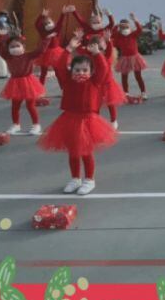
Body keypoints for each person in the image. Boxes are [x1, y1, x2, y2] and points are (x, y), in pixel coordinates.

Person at [38, 31, 118, 196]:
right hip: (69, 119)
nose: (81, 73)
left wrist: (97, 53)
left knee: (86, 151)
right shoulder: (67, 81)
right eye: (77, 70)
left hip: (88, 120)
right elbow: (60, 66)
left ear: (90, 72)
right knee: (73, 152)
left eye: (84, 70)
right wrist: (67, 49)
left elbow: (103, 68)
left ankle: (89, 179)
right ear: (71, 70)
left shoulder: (95, 82)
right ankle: (75, 178)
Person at [0, 30, 51, 135]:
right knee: (15, 106)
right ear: (8, 49)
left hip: (28, 82)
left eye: (17, 45)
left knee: (30, 105)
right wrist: (0, 37)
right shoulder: (8, 57)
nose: (15, 48)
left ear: (23, 47)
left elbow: (41, 50)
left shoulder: (28, 56)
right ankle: (16, 124)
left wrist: (47, 39)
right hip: (15, 83)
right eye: (12, 46)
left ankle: (36, 125)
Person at [110, 13, 148, 98]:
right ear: (120, 29)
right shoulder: (118, 37)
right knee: (124, 76)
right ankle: (126, 93)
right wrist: (117, 25)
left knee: (138, 76)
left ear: (130, 28)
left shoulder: (133, 35)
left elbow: (139, 29)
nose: (125, 29)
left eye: (126, 27)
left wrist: (135, 20)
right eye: (123, 28)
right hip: (124, 59)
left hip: (135, 58)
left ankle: (143, 92)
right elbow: (112, 34)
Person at [35, 7, 70, 86]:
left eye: (49, 22)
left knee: (58, 72)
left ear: (53, 22)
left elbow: (60, 23)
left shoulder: (56, 30)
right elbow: (37, 25)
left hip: (56, 54)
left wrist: (63, 14)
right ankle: (40, 89)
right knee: (43, 73)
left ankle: (63, 87)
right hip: (45, 54)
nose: (48, 24)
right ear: (43, 26)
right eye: (46, 24)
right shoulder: (43, 32)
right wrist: (41, 16)